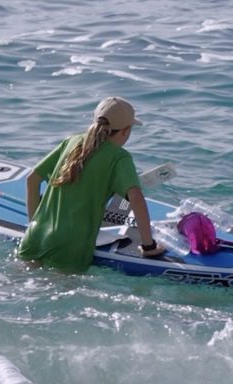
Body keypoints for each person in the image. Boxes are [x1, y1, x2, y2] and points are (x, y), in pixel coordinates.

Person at [18, 96, 164, 273]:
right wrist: (149, 246)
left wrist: (34, 224)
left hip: (35, 236)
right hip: (70, 246)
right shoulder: (119, 157)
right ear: (125, 131)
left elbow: (32, 179)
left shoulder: (71, 142)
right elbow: (136, 198)